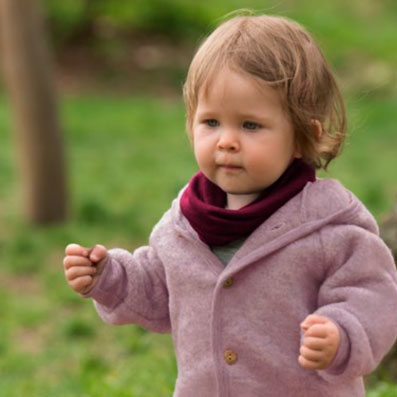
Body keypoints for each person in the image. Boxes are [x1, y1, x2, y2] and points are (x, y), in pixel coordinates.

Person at [63, 13, 397, 396]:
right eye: (211, 123)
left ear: (304, 135)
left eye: (250, 125)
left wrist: (340, 333)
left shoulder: (329, 227)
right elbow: (159, 290)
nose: (227, 141)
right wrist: (108, 277)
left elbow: (373, 296)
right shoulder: (183, 225)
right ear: (190, 125)